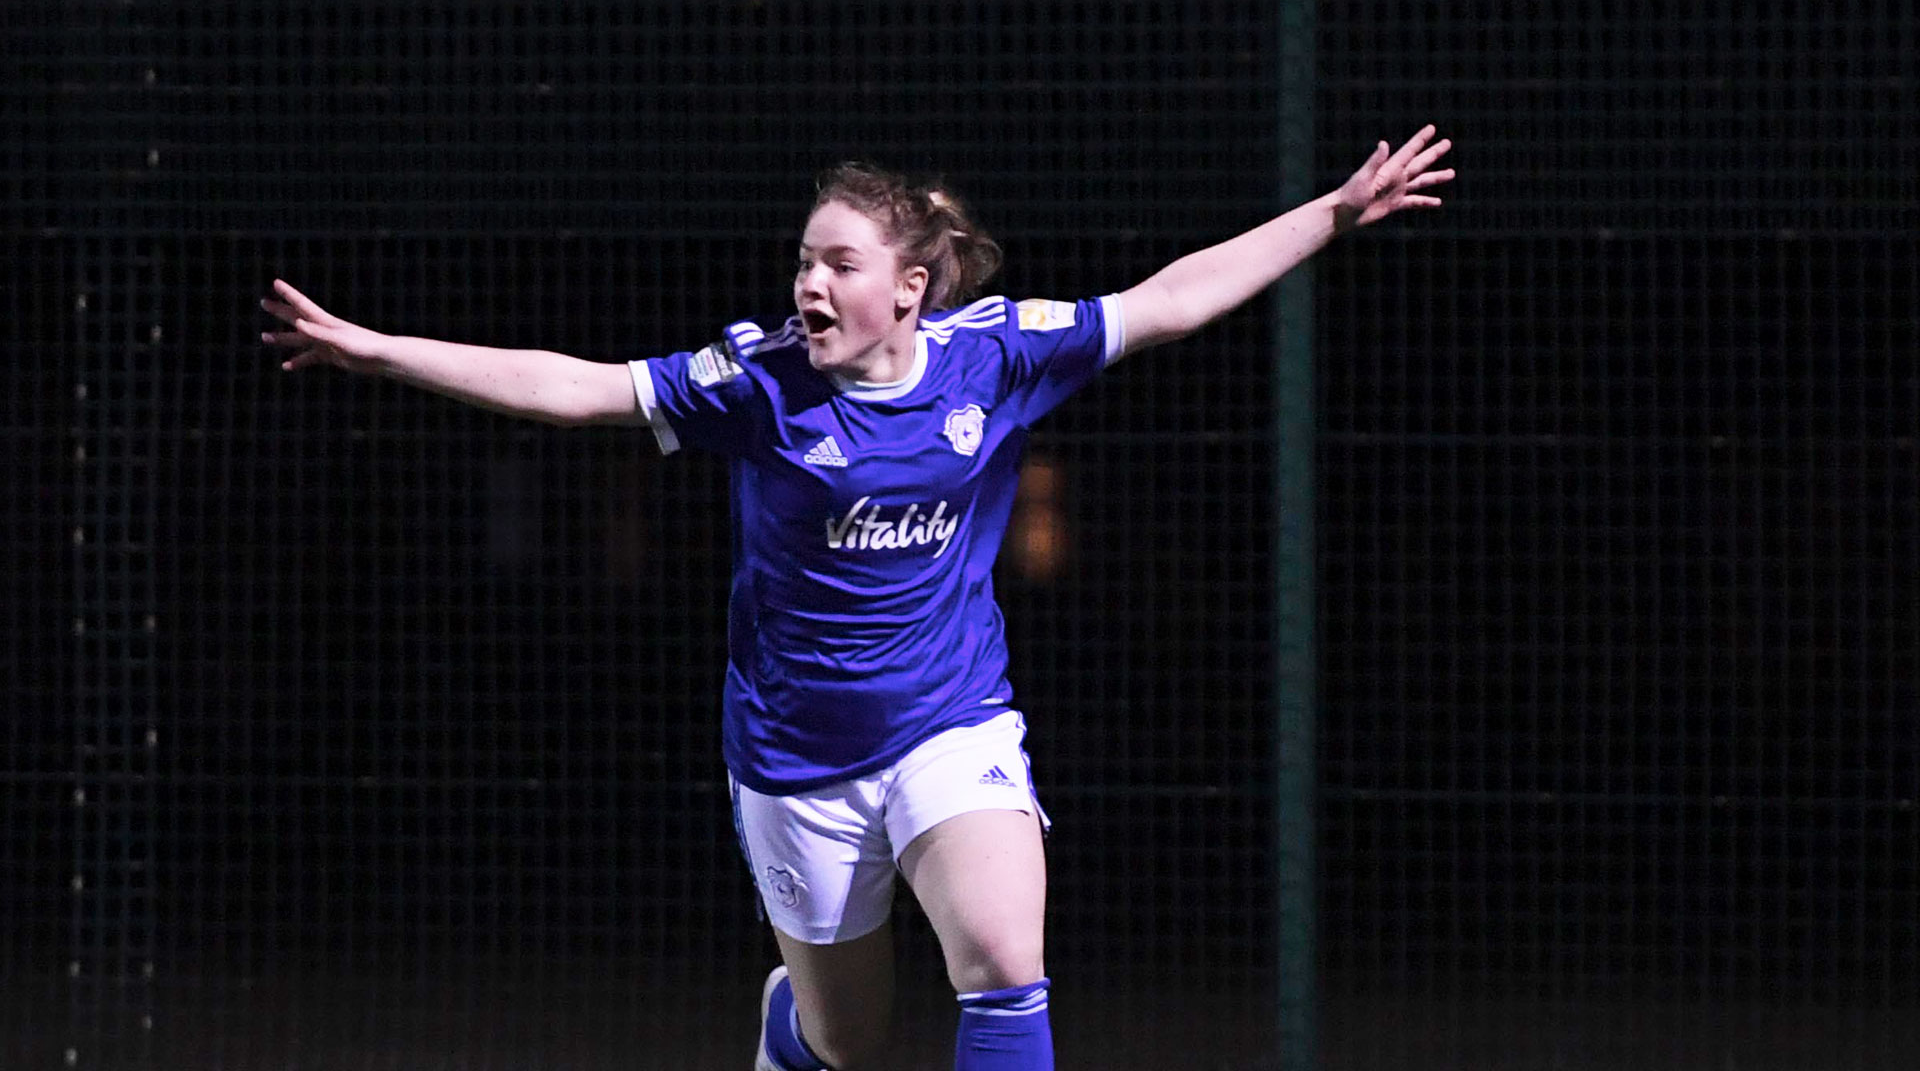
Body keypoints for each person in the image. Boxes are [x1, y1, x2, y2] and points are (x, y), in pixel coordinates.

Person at [262, 125, 1453, 1071]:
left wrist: (1334, 212)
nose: (809, 284)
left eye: (838, 264)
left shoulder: (999, 356)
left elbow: (1171, 299)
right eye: (803, 260)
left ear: (912, 287)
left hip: (952, 723)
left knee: (999, 954)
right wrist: (380, 349)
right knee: (848, 1041)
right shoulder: (758, 382)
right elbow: (577, 389)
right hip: (796, 759)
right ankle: (795, 1029)